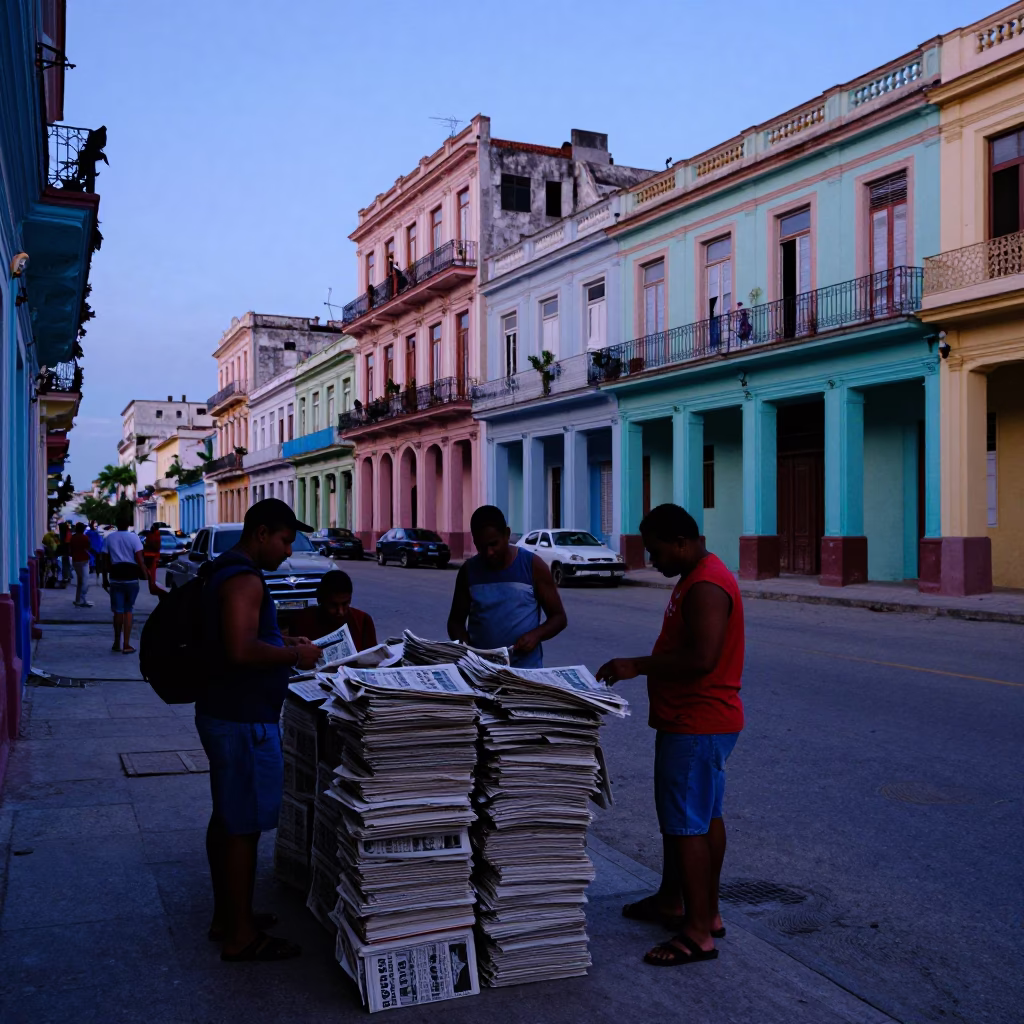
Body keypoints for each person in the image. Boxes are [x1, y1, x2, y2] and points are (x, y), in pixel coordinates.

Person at [596, 503, 745, 969]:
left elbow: (702, 658)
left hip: (696, 722)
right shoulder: (696, 576)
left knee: (686, 826)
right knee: (702, 818)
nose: (653, 561)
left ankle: (698, 932)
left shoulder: (705, 584)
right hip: (700, 721)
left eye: (657, 552)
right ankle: (681, 903)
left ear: (682, 542)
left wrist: (636, 665)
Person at [195, 498, 321, 963]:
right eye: (286, 541)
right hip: (242, 718)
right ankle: (241, 935)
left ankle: (229, 914)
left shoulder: (224, 570)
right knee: (243, 827)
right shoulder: (245, 578)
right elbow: (240, 650)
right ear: (262, 533)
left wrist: (284, 640)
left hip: (225, 711)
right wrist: (294, 656)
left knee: (227, 819)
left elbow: (243, 636)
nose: (289, 552)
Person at [446, 505, 566, 668]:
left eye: (494, 544)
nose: (489, 552)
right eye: (481, 547)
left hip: (525, 671)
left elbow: (559, 618)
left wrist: (536, 635)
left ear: (507, 535)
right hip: (482, 669)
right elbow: (455, 622)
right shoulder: (468, 571)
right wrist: (464, 646)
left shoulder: (532, 566)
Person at [286, 570, 377, 651]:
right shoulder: (302, 621)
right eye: (334, 605)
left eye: (345, 604)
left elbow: (372, 660)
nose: (340, 612)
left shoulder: (363, 621)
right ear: (320, 600)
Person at [100, 513, 147, 654]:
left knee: (117, 611)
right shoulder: (134, 537)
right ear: (128, 525)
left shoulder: (109, 538)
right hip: (131, 577)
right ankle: (126, 644)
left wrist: (104, 578)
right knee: (128, 611)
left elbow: (105, 561)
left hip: (115, 577)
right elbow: (140, 559)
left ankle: (116, 642)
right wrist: (145, 574)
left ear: (116, 524)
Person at [69, 523, 93, 608]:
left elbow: (70, 549)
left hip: (75, 560)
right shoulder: (84, 537)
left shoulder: (73, 537)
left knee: (80, 581)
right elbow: (88, 547)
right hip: (84, 560)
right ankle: (82, 599)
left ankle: (78, 599)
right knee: (85, 581)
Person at [57, 521, 72, 587]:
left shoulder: (63, 533)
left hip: (64, 551)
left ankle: (65, 577)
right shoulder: (68, 532)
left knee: (64, 564)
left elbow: (64, 542)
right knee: (67, 564)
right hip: (67, 551)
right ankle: (68, 576)